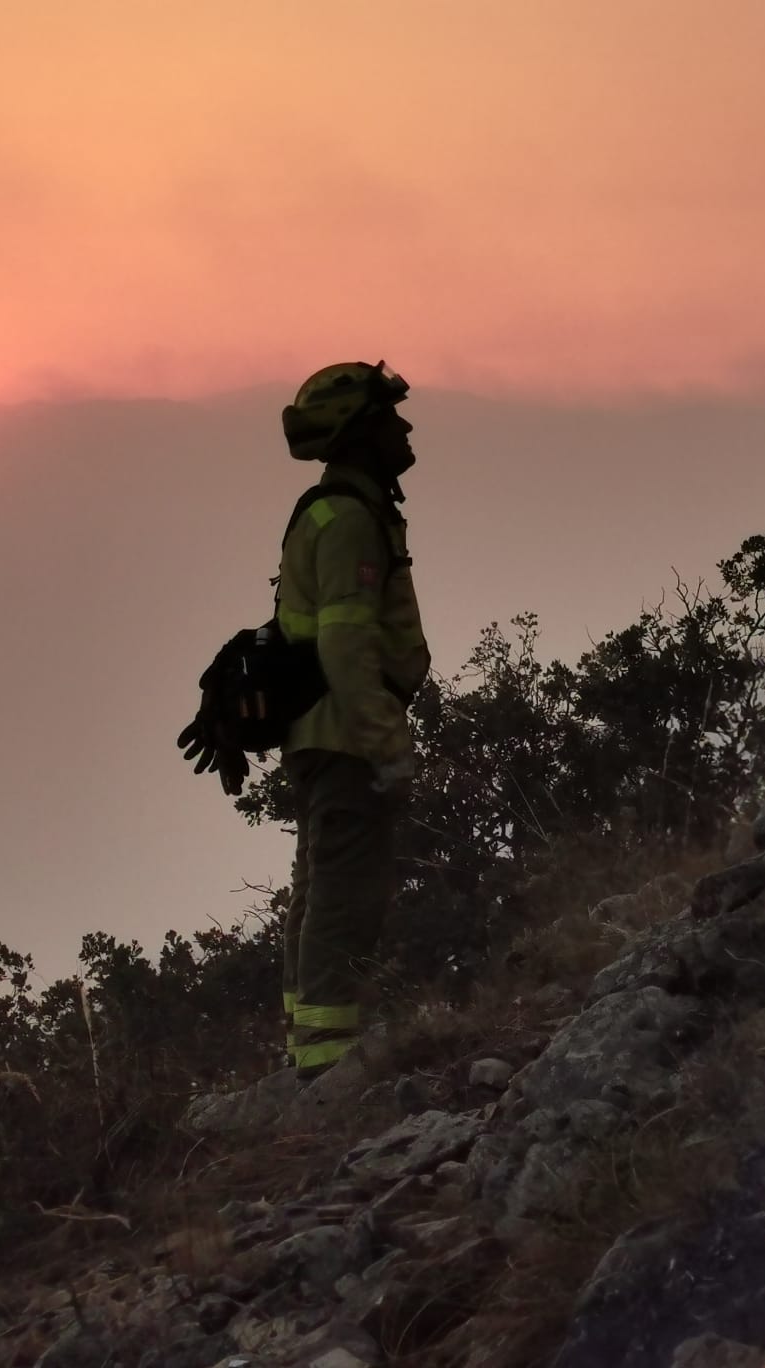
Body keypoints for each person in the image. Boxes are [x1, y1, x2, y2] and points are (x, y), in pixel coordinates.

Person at [273, 361, 430, 1080]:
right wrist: (387, 747)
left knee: (319, 890)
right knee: (344, 897)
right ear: (358, 432)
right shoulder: (349, 519)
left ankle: (306, 1046)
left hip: (322, 734)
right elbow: (346, 644)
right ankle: (325, 1061)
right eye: (389, 417)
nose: (404, 428)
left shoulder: (337, 511)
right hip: (345, 740)